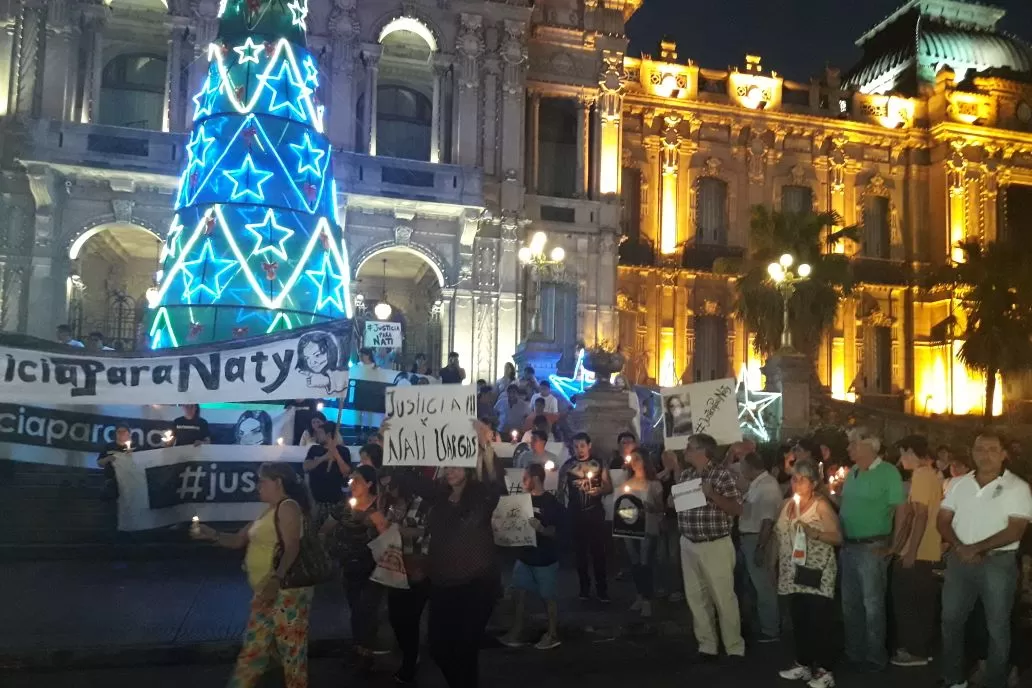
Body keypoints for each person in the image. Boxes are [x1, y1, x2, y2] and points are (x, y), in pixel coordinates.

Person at [191, 463, 313, 688]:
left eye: (262, 481)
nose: (258, 486)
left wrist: (276, 579)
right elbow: (238, 540)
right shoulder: (268, 511)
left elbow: (292, 547)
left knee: (291, 652)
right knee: (254, 649)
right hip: (265, 591)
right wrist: (211, 534)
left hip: (286, 592)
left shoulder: (288, 507)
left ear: (278, 482)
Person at [938, 431, 1032, 688]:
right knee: (950, 620)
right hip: (960, 560)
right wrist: (961, 547)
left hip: (997, 563)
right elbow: (943, 519)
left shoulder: (1018, 488)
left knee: (997, 626)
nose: (985, 455)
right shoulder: (959, 484)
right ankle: (954, 678)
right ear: (972, 452)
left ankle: (995, 680)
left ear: (1004, 454)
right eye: (980, 449)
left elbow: (1015, 529)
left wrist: (976, 548)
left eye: (992, 450)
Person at [426, 463, 502, 688]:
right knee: (437, 647)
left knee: (465, 651)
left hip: (476, 586)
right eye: (447, 466)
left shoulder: (481, 497)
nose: (450, 471)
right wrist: (391, 441)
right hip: (442, 584)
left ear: (468, 469)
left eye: (456, 467)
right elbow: (407, 479)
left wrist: (487, 449)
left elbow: (497, 484)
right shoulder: (439, 496)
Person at [838, 427, 905, 672]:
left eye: (853, 443)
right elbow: (846, 505)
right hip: (848, 545)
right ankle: (854, 651)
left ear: (869, 446)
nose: (848, 448)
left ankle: (875, 656)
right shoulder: (853, 471)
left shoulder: (888, 472)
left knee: (873, 605)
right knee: (850, 603)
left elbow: (902, 510)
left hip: (872, 546)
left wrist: (894, 546)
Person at [676, 433, 745, 659]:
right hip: (688, 543)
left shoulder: (721, 475)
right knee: (696, 598)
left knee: (723, 598)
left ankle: (734, 647)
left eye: (690, 447)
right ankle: (707, 645)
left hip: (714, 544)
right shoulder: (686, 475)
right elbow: (678, 505)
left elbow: (737, 509)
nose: (686, 450)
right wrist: (672, 500)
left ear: (703, 452)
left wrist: (712, 494)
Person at [776, 459, 842, 688]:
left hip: (816, 571)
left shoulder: (821, 505)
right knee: (800, 619)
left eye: (801, 479)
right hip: (792, 571)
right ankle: (803, 663)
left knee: (819, 621)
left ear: (812, 483)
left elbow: (837, 536)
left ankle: (824, 670)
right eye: (794, 478)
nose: (796, 483)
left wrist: (814, 533)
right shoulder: (787, 505)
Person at [321, 465, 388, 669]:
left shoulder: (380, 507)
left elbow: (387, 535)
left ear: (369, 484)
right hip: (349, 565)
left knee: (366, 608)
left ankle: (367, 650)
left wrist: (373, 523)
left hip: (373, 566)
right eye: (351, 480)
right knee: (355, 608)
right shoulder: (344, 507)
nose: (353, 484)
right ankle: (359, 648)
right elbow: (324, 530)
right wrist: (328, 551)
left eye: (357, 480)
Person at [890, 435, 943, 668]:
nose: (901, 460)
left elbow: (920, 515)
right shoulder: (930, 475)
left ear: (911, 452)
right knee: (921, 601)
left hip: (920, 551)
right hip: (926, 550)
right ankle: (919, 647)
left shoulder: (921, 475)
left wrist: (910, 551)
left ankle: (914, 650)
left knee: (907, 600)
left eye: (903, 454)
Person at [501, 462, 565, 649]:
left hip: (544, 559)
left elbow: (558, 530)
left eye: (525, 478)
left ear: (535, 479)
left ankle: (552, 633)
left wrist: (542, 529)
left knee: (548, 596)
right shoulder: (521, 501)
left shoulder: (551, 503)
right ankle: (517, 631)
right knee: (519, 592)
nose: (522, 482)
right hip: (524, 556)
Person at [383, 470, 432, 685]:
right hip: (395, 565)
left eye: (390, 486)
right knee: (395, 616)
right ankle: (409, 654)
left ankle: (410, 663)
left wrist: (402, 530)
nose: (387, 491)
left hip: (418, 567)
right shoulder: (390, 505)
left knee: (410, 618)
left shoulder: (422, 504)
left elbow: (429, 531)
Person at [558, 432, 613, 602]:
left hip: (594, 510)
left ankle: (602, 589)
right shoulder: (567, 466)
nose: (579, 450)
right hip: (575, 513)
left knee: (598, 552)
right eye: (575, 446)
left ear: (589, 446)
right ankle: (584, 588)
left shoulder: (599, 463)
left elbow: (608, 487)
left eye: (582, 446)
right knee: (579, 553)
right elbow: (560, 491)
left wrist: (599, 490)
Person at [739, 451, 783, 643]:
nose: (740, 470)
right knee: (756, 584)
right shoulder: (757, 484)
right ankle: (762, 623)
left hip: (757, 538)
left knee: (764, 584)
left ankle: (770, 628)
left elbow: (767, 520)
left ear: (750, 467)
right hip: (750, 537)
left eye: (742, 466)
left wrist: (760, 546)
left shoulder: (767, 486)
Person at [623, 451, 663, 618]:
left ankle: (647, 600)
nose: (634, 462)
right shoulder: (628, 483)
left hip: (648, 528)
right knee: (635, 563)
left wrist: (648, 508)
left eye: (637, 459)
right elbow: (623, 508)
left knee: (645, 563)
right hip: (630, 529)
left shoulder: (653, 484)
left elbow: (660, 508)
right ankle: (639, 595)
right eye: (632, 459)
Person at [303, 422, 352, 527]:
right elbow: (306, 467)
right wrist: (323, 458)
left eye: (320, 433)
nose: (317, 436)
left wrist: (336, 455)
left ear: (329, 435)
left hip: (336, 503)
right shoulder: (314, 450)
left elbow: (346, 472)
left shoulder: (343, 451)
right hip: (316, 502)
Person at [655, 450, 685, 602]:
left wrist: (675, 468)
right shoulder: (659, 474)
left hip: (675, 518)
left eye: (670, 458)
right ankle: (664, 586)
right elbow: (652, 483)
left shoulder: (681, 474)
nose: (666, 460)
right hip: (661, 518)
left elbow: (680, 485)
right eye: (664, 458)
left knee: (674, 555)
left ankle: (676, 588)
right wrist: (666, 470)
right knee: (661, 555)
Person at [97, 425, 133, 500]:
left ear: (129, 434)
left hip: (130, 483)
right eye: (119, 432)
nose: (121, 433)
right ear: (116, 433)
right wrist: (108, 458)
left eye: (124, 431)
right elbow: (99, 463)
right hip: (112, 484)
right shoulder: (109, 446)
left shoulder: (135, 447)